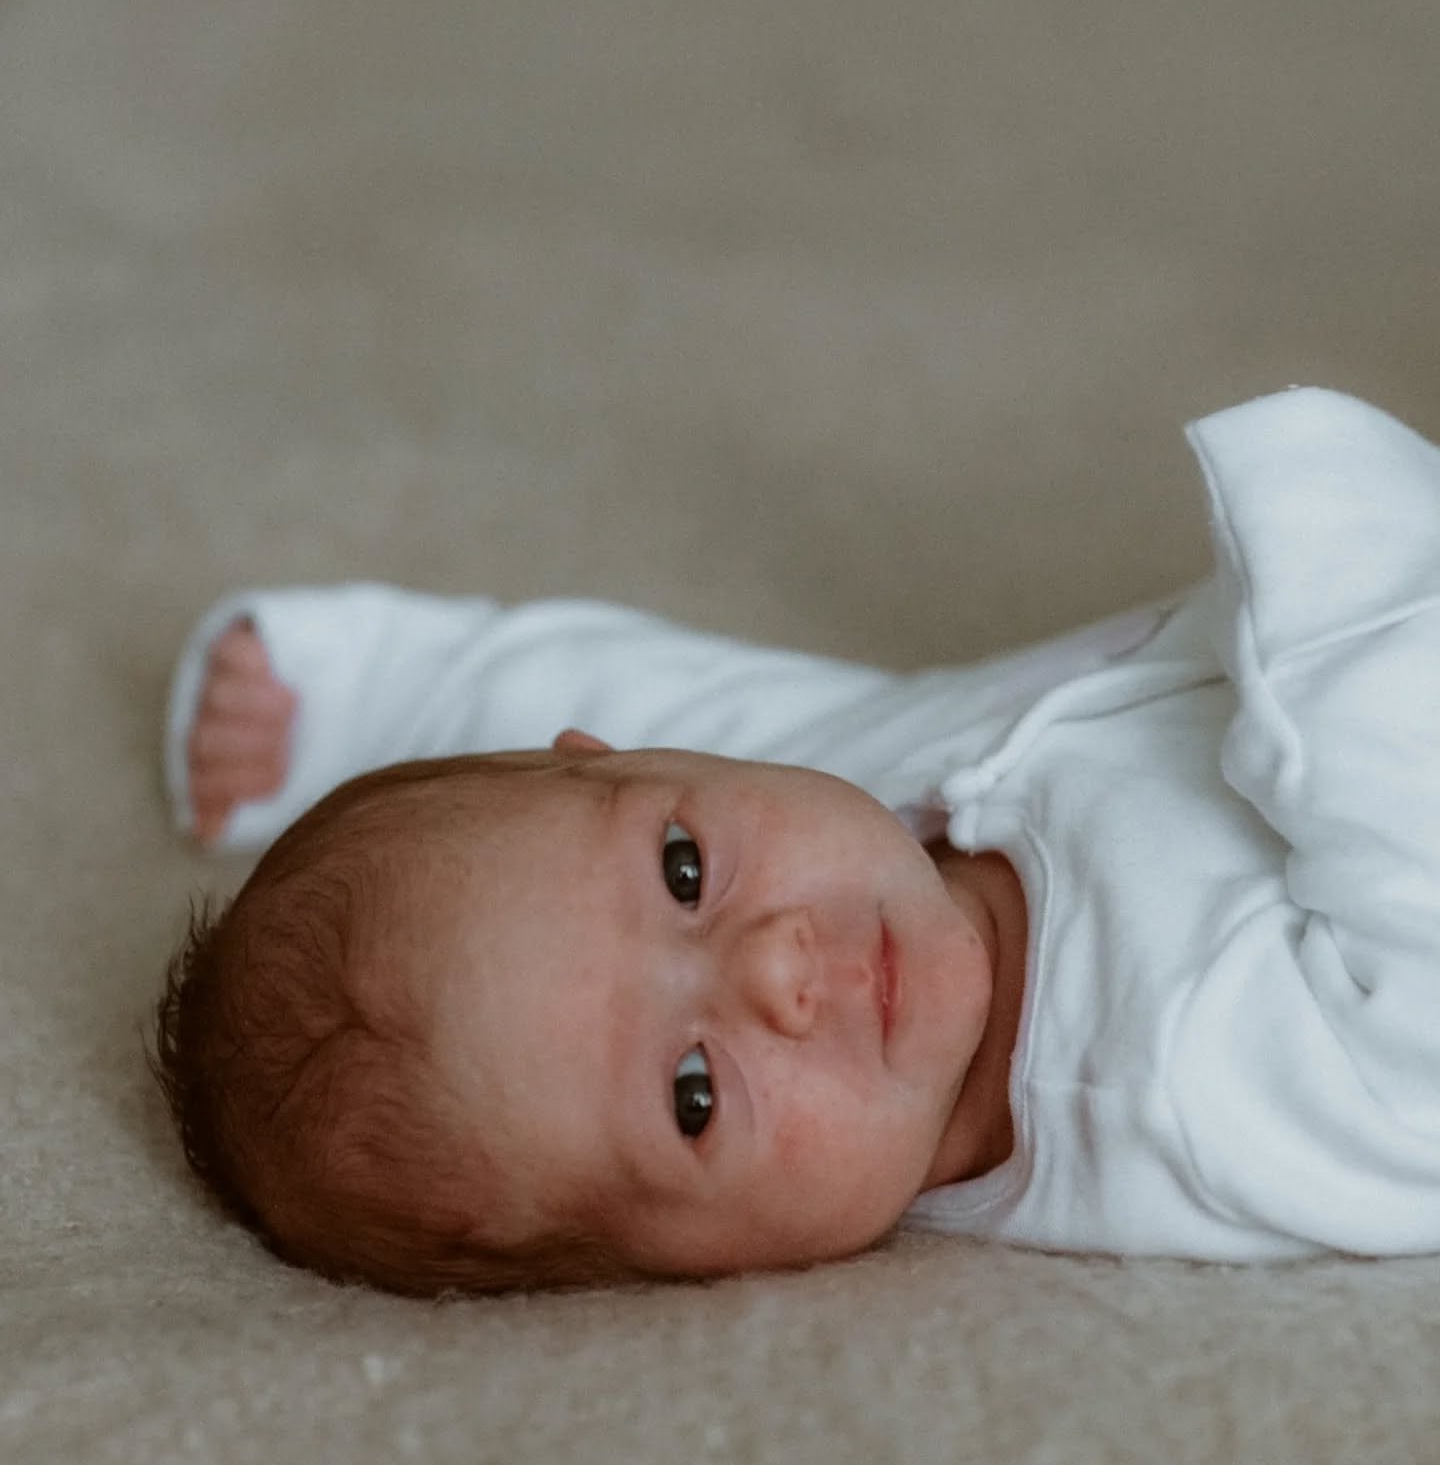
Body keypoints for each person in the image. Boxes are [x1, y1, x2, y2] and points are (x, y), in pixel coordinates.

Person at [152, 387, 1440, 1297]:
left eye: (682, 873)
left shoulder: (855, 800)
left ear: (610, 760)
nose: (773, 969)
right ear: (693, 1271)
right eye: (694, 1094)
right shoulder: (1185, 1088)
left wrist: (360, 699)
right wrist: (1335, 621)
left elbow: (674, 698)